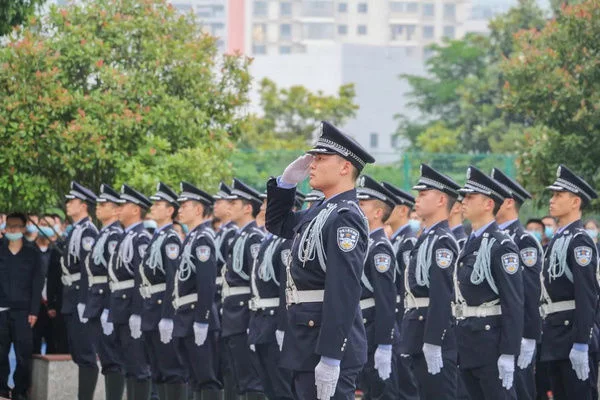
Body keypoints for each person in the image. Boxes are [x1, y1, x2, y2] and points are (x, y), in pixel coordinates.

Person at [265, 121, 374, 400]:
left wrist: (331, 356)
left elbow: (343, 290)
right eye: (313, 157)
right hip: (305, 340)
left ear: (345, 168)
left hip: (325, 344)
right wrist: (286, 184)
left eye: (321, 158)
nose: (312, 164)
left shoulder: (345, 217)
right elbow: (278, 224)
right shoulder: (321, 211)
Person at [455, 166, 524, 400]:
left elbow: (513, 302)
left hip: (491, 344)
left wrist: (508, 352)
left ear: (487, 204)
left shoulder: (502, 245)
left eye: (470, 197)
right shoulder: (470, 242)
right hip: (468, 342)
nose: (463, 201)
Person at [400, 164, 461, 400]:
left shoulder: (443, 241)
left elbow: (442, 294)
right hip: (419, 331)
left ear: (441, 200)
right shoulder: (427, 237)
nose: (417, 199)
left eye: (424, 194)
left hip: (434, 335)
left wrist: (434, 340)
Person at [539, 165, 599, 399]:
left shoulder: (580, 240)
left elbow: (587, 295)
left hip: (573, 336)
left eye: (558, 195)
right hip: (556, 337)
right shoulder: (559, 239)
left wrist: (582, 342)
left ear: (575, 202)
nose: (552, 200)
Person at [491, 168, 543, 400]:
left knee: (518, 391)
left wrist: (529, 337)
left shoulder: (523, 240)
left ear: (508, 202)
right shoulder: (491, 239)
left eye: (495, 197)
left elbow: (530, 292)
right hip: (493, 334)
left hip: (517, 334)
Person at [168, 182, 223, 400]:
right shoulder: (191, 238)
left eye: (185, 205)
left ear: (198, 209)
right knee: (194, 379)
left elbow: (206, 283)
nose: (179, 209)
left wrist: (202, 320)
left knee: (206, 378)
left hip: (197, 317)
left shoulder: (203, 239)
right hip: (185, 316)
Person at [138, 182, 186, 399]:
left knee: (170, 370)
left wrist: (167, 316)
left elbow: (172, 280)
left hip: (160, 309)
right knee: (156, 370)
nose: (154, 207)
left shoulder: (170, 239)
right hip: (150, 308)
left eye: (159, 204)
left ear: (170, 211)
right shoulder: (157, 237)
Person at [221, 178, 265, 399]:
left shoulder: (254, 237)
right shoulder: (239, 235)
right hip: (232, 314)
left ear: (248, 208)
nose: (228, 206)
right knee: (238, 378)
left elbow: (256, 281)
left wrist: (252, 319)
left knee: (250, 380)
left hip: (243, 314)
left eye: (234, 202)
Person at [247, 192, 294, 400]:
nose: (263, 207)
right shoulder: (269, 240)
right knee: (268, 386)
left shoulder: (286, 241)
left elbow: (286, 288)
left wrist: (283, 327)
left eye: (268, 203)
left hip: (276, 320)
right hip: (262, 321)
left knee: (282, 387)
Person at [108, 184, 153, 400]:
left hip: (130, 308)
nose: (118, 208)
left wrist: (137, 312)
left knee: (139, 368)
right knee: (127, 366)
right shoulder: (126, 236)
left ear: (136, 209)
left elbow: (140, 277)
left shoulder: (141, 238)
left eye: (123, 204)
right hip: (119, 307)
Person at [355, 176, 398, 399]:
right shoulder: (365, 244)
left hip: (373, 329)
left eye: (362, 204)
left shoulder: (379, 248)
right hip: (362, 328)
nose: (357, 208)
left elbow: (386, 298)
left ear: (377, 213)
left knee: (381, 393)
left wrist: (384, 343)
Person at [83, 184, 126, 400]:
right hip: (96, 299)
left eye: (104, 204)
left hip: (106, 301)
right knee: (107, 359)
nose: (98, 208)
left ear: (117, 209)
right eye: (98, 204)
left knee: (112, 359)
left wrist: (109, 308)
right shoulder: (104, 233)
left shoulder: (115, 235)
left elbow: (113, 274)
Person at [380, 181, 420, 400]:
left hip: (403, 317)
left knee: (406, 383)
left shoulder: (407, 242)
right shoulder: (395, 240)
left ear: (403, 210)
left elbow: (408, 286)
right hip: (394, 316)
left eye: (390, 205)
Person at [62, 182, 101, 400]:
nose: (68, 205)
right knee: (77, 353)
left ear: (83, 205)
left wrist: (85, 301)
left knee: (86, 354)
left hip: (80, 296)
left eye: (72, 201)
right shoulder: (75, 230)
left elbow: (87, 269)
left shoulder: (87, 231)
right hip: (71, 295)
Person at [0, 213, 44, 400]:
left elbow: (37, 283)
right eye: (9, 226)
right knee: (0, 353)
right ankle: (2, 388)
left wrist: (34, 310)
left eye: (17, 226)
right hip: (1, 310)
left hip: (24, 312)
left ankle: (20, 390)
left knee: (23, 354)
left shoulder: (32, 253)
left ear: (24, 229)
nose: (13, 230)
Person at [32, 215, 60, 354]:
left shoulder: (57, 251)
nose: (44, 228)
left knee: (54, 345)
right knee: (32, 346)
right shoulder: (29, 249)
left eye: (48, 225)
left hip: (53, 306)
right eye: (42, 224)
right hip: (33, 306)